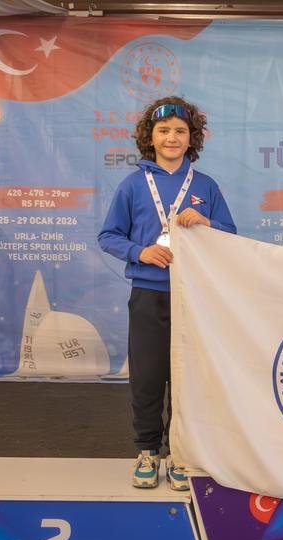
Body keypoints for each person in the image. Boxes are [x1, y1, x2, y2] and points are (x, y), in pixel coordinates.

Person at [98, 96, 237, 491]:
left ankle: (180, 453)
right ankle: (147, 450)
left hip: (193, 297)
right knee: (148, 377)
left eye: (180, 131)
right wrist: (139, 251)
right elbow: (108, 235)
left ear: (192, 138)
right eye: (163, 131)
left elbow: (230, 233)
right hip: (149, 294)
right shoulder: (132, 185)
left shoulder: (205, 186)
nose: (172, 137)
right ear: (150, 137)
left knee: (187, 379)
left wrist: (207, 222)